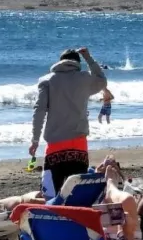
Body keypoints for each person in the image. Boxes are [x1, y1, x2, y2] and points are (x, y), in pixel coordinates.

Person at [29, 47, 109, 193]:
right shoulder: (84, 78)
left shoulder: (46, 81)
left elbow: (39, 111)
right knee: (77, 193)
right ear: (78, 63)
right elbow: (102, 80)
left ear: (60, 62)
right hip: (79, 145)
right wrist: (89, 58)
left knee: (51, 193)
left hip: (55, 145)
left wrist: (35, 140)